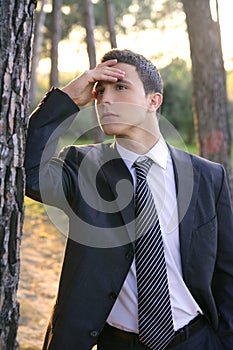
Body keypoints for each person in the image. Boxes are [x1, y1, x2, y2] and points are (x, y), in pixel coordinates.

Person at [24, 49, 233, 350]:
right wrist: (67, 99)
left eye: (120, 87)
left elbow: (226, 273)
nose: (105, 100)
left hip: (197, 340)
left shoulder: (207, 177)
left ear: (153, 100)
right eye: (99, 91)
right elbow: (28, 173)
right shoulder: (82, 167)